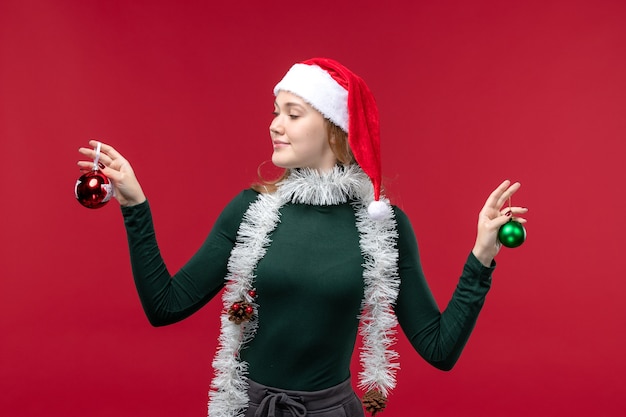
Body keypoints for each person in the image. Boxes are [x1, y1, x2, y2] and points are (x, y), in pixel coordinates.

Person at [78, 57, 528, 417]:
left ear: (336, 132)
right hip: (246, 409)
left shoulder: (383, 225)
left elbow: (439, 348)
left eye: (293, 114)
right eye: (276, 113)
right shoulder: (249, 210)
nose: (275, 125)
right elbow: (165, 306)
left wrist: (482, 255)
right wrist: (135, 205)